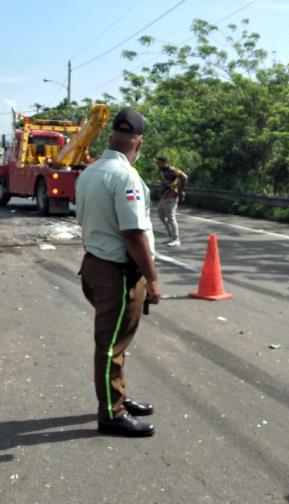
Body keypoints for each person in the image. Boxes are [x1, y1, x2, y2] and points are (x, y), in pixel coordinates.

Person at [76, 108, 160, 437]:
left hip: (93, 265)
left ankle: (118, 397)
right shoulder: (126, 177)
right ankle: (112, 413)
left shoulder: (90, 171)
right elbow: (134, 234)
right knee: (111, 345)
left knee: (116, 341)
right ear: (139, 141)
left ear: (112, 136)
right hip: (117, 274)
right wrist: (152, 278)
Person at [157, 156, 188, 247]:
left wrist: (180, 191)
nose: (158, 164)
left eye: (159, 163)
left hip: (171, 196)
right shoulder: (162, 171)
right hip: (164, 196)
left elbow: (184, 177)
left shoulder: (172, 170)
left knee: (171, 217)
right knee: (161, 215)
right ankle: (170, 235)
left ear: (165, 162)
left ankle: (176, 239)